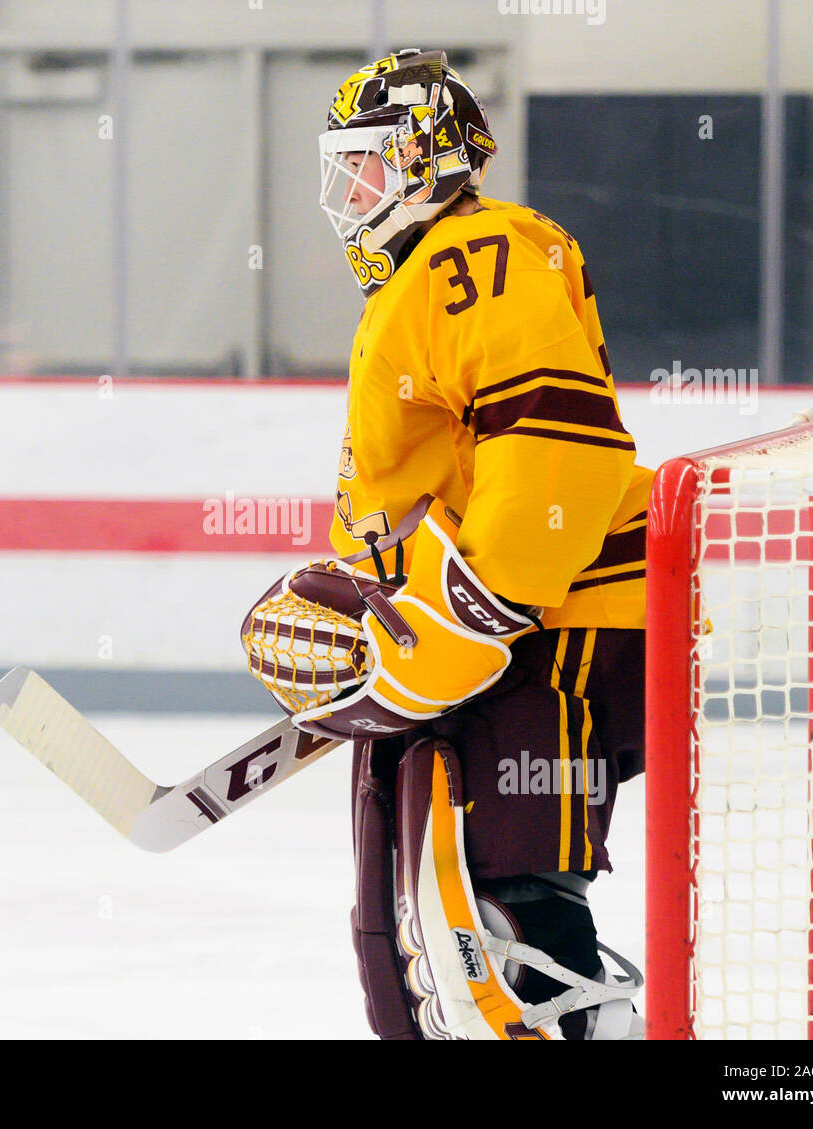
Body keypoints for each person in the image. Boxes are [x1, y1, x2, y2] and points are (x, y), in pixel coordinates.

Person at [241, 49, 651, 1040]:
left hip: (545, 622)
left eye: (366, 165)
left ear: (425, 156)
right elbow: (432, 487)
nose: (349, 194)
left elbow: (556, 441)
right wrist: (376, 599)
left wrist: (473, 612)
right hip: (471, 632)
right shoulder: (421, 279)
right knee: (416, 928)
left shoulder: (485, 251)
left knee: (510, 910)